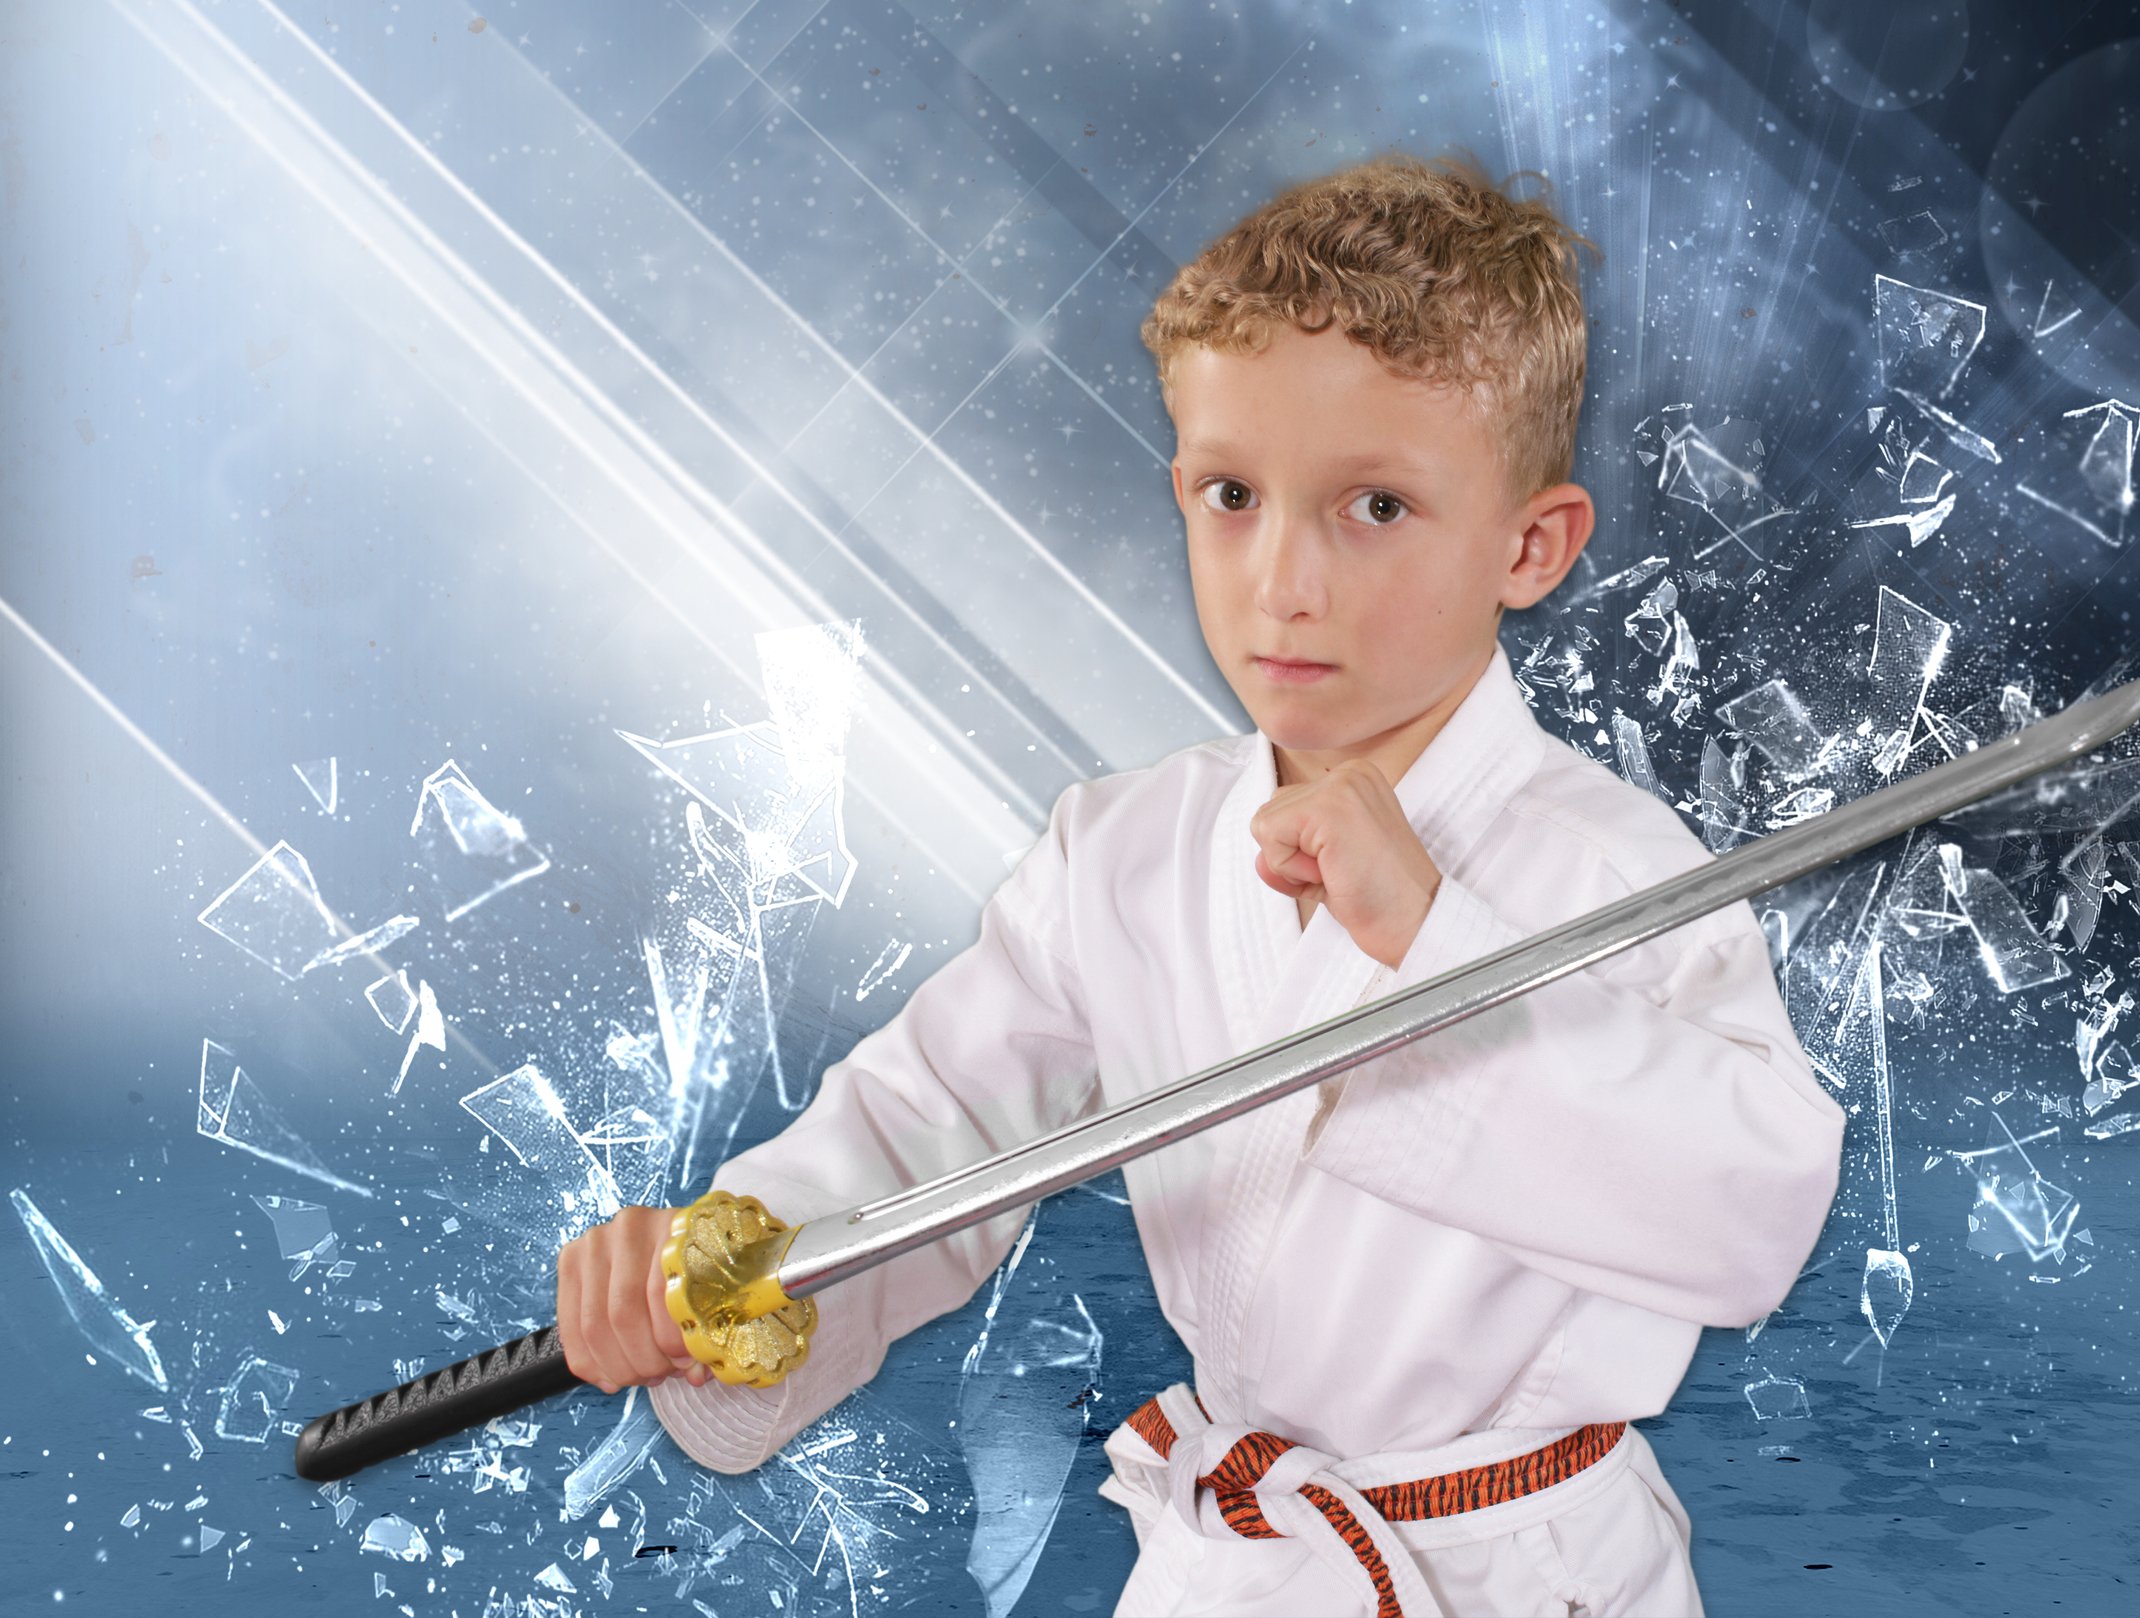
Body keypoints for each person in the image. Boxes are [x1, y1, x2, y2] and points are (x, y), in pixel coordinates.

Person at [556, 150, 1846, 1616]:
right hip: (1239, 1562)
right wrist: (729, 1283)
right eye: (1232, 494)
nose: (1281, 579)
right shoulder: (1129, 849)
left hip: (1519, 1574)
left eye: (1373, 507)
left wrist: (1434, 942)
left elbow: (1755, 1209)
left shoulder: (1610, 870)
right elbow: (927, 1135)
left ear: (1530, 544)